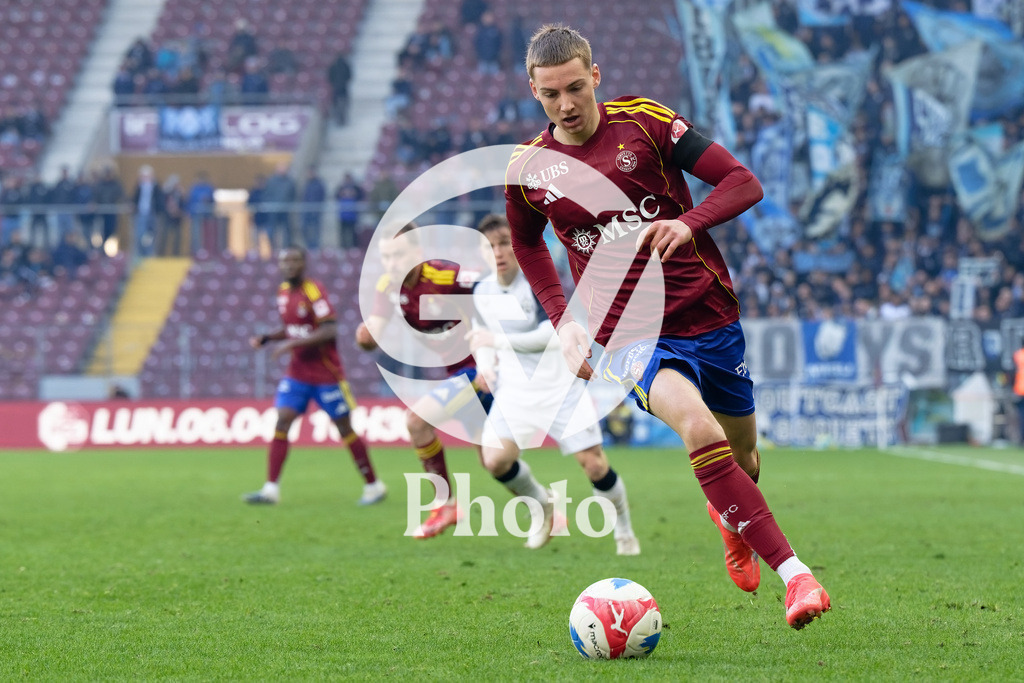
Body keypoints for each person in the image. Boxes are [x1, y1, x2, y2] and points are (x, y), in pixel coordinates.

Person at [504, 25, 829, 630]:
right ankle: (797, 576)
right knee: (695, 425)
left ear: (595, 76)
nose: (567, 104)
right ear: (534, 91)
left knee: (745, 459)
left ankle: (729, 520)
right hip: (628, 334)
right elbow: (526, 244)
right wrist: (563, 320)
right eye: (551, 95)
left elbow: (742, 182)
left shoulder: (646, 125)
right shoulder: (529, 169)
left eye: (576, 87)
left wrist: (689, 222)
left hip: (710, 315)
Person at [467, 214, 640, 554]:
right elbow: (479, 334)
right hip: (515, 389)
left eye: (504, 243)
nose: (498, 251)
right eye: (490, 246)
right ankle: (541, 504)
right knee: (495, 460)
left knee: (594, 465)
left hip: (560, 385)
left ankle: (624, 530)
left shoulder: (538, 283)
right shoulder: (481, 290)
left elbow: (551, 334)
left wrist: (497, 342)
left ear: (516, 246)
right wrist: (484, 368)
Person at [355, 224, 491, 539]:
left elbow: (490, 289)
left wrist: (496, 348)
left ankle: (445, 505)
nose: (391, 263)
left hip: (480, 369)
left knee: (416, 422)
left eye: (398, 255)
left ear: (417, 252)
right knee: (494, 462)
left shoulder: (445, 275)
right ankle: (549, 511)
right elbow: (372, 330)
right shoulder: (388, 285)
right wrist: (365, 337)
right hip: (457, 374)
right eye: (386, 257)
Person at [244, 247, 385, 506]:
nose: (289, 265)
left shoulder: (314, 290)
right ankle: (270, 489)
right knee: (282, 420)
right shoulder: (283, 293)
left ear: (304, 263)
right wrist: (268, 338)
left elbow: (330, 330)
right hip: (297, 373)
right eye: (284, 260)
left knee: (344, 428)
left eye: (294, 260)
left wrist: (290, 345)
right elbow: (292, 328)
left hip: (326, 374)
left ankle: (374, 486)